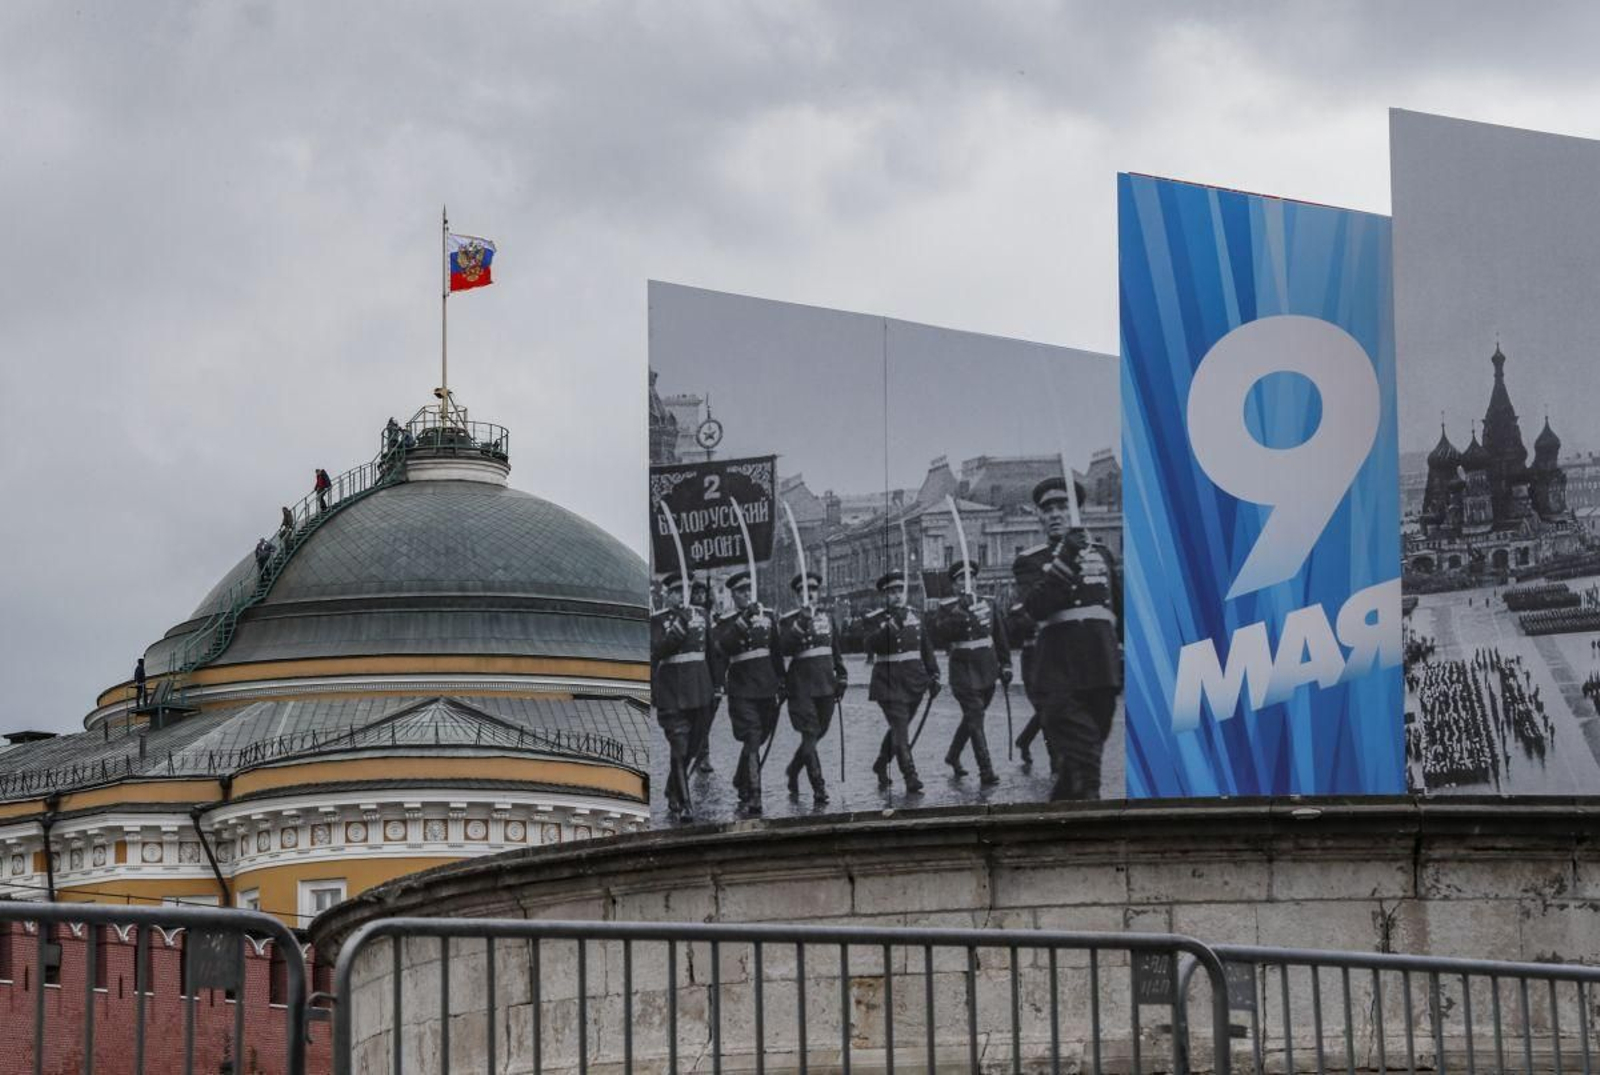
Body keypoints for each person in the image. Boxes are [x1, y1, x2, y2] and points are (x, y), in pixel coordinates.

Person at [1012, 478, 1122, 801]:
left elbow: (1119, 607)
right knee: (1088, 766)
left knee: (1077, 765)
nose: (1056, 514)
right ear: (1039, 517)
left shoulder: (1102, 554)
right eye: (1048, 509)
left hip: (1102, 669)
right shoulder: (1031, 561)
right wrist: (1066, 555)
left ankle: (1056, 817)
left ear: (1078, 511)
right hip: (1058, 674)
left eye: (1063, 507)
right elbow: (1036, 606)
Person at [712, 571, 785, 815]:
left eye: (748, 590)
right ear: (733, 595)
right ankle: (755, 794)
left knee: (760, 737)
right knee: (752, 738)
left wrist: (782, 681)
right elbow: (723, 648)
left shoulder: (769, 617)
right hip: (742, 690)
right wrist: (744, 621)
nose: (745, 594)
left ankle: (740, 777)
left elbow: (776, 652)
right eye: (741, 591)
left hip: (766, 689)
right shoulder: (726, 622)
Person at [934, 560, 1010, 785]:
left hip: (987, 669)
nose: (967, 583)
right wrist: (959, 612)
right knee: (975, 714)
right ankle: (986, 770)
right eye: (961, 579)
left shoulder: (989, 603)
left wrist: (1006, 665)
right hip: (962, 671)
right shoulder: (946, 608)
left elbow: (1001, 637)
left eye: (971, 578)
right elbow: (940, 634)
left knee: (972, 718)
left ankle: (954, 755)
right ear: (954, 585)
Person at [650, 572, 717, 821]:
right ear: (668, 594)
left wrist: (717, 685)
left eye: (684, 591)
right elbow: (656, 651)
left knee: (693, 748)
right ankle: (685, 804)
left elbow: (711, 653)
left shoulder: (702, 616)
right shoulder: (657, 621)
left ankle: (672, 788)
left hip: (701, 692)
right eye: (676, 591)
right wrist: (678, 629)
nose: (681, 596)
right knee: (679, 748)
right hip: (672, 694)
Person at [866, 570, 939, 794]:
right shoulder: (874, 619)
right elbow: (872, 644)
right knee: (900, 728)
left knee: (900, 729)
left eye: (900, 591)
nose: (897, 596)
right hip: (888, 683)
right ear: (883, 596)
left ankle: (881, 763)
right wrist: (894, 625)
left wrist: (934, 674)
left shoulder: (915, 615)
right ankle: (910, 776)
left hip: (915, 681)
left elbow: (925, 647)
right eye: (891, 592)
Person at [778, 571, 847, 804]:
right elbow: (785, 647)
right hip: (801, 687)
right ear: (797, 596)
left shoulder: (827, 618)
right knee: (809, 736)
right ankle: (819, 787)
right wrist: (803, 621)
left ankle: (794, 769)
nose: (810, 596)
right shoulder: (789, 620)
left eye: (813, 591)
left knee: (820, 732)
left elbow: (835, 650)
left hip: (826, 685)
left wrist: (842, 676)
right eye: (804, 592)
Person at [1004, 601, 1049, 768]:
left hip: (1051, 662)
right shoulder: (1021, 608)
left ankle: (1024, 741)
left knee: (1048, 711)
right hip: (1032, 663)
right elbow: (1012, 630)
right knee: (1044, 711)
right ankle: (1056, 763)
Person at [688, 577, 720, 775]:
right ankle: (694, 754)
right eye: (696, 594)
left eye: (702, 593)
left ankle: (703, 755)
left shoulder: (709, 615)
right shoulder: (688, 615)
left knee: (705, 718)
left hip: (706, 676)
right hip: (690, 676)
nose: (700, 597)